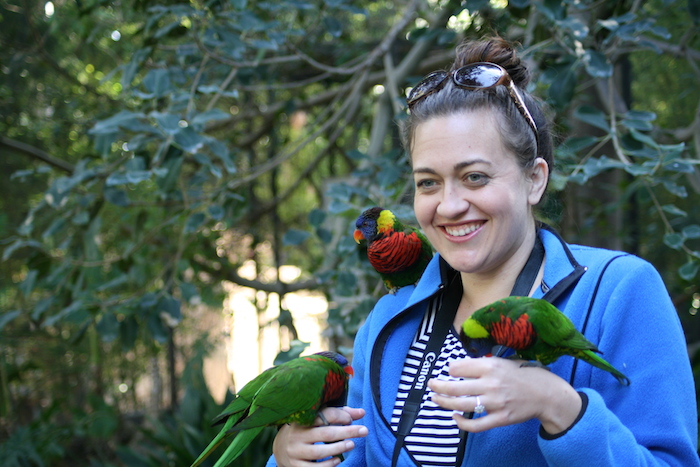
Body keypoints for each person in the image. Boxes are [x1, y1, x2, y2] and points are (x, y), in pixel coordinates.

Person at [268, 37, 699, 466]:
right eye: (428, 183)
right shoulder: (390, 320)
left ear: (534, 179)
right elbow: (348, 454)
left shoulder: (618, 292)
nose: (449, 206)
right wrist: (291, 457)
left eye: (474, 177)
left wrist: (560, 408)